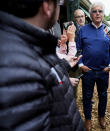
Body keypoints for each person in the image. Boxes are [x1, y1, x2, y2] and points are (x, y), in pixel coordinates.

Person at [0, 0, 85, 130]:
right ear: (47, 6)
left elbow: (43, 72)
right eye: (59, 4)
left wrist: (63, 65)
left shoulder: (23, 44)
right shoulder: (17, 67)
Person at [77, 2, 110, 131]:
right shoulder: (83, 30)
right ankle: (88, 119)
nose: (97, 13)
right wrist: (81, 65)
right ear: (90, 14)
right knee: (87, 97)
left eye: (100, 11)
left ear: (103, 14)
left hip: (103, 71)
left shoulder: (108, 30)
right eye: (94, 11)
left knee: (103, 95)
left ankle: (102, 117)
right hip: (88, 71)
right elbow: (78, 50)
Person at [69, 9, 86, 98]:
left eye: (82, 16)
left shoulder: (88, 29)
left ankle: (86, 98)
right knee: (74, 83)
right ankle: (72, 102)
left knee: (86, 82)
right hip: (75, 61)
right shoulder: (71, 29)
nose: (80, 19)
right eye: (78, 17)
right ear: (75, 19)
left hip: (86, 60)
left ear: (85, 17)